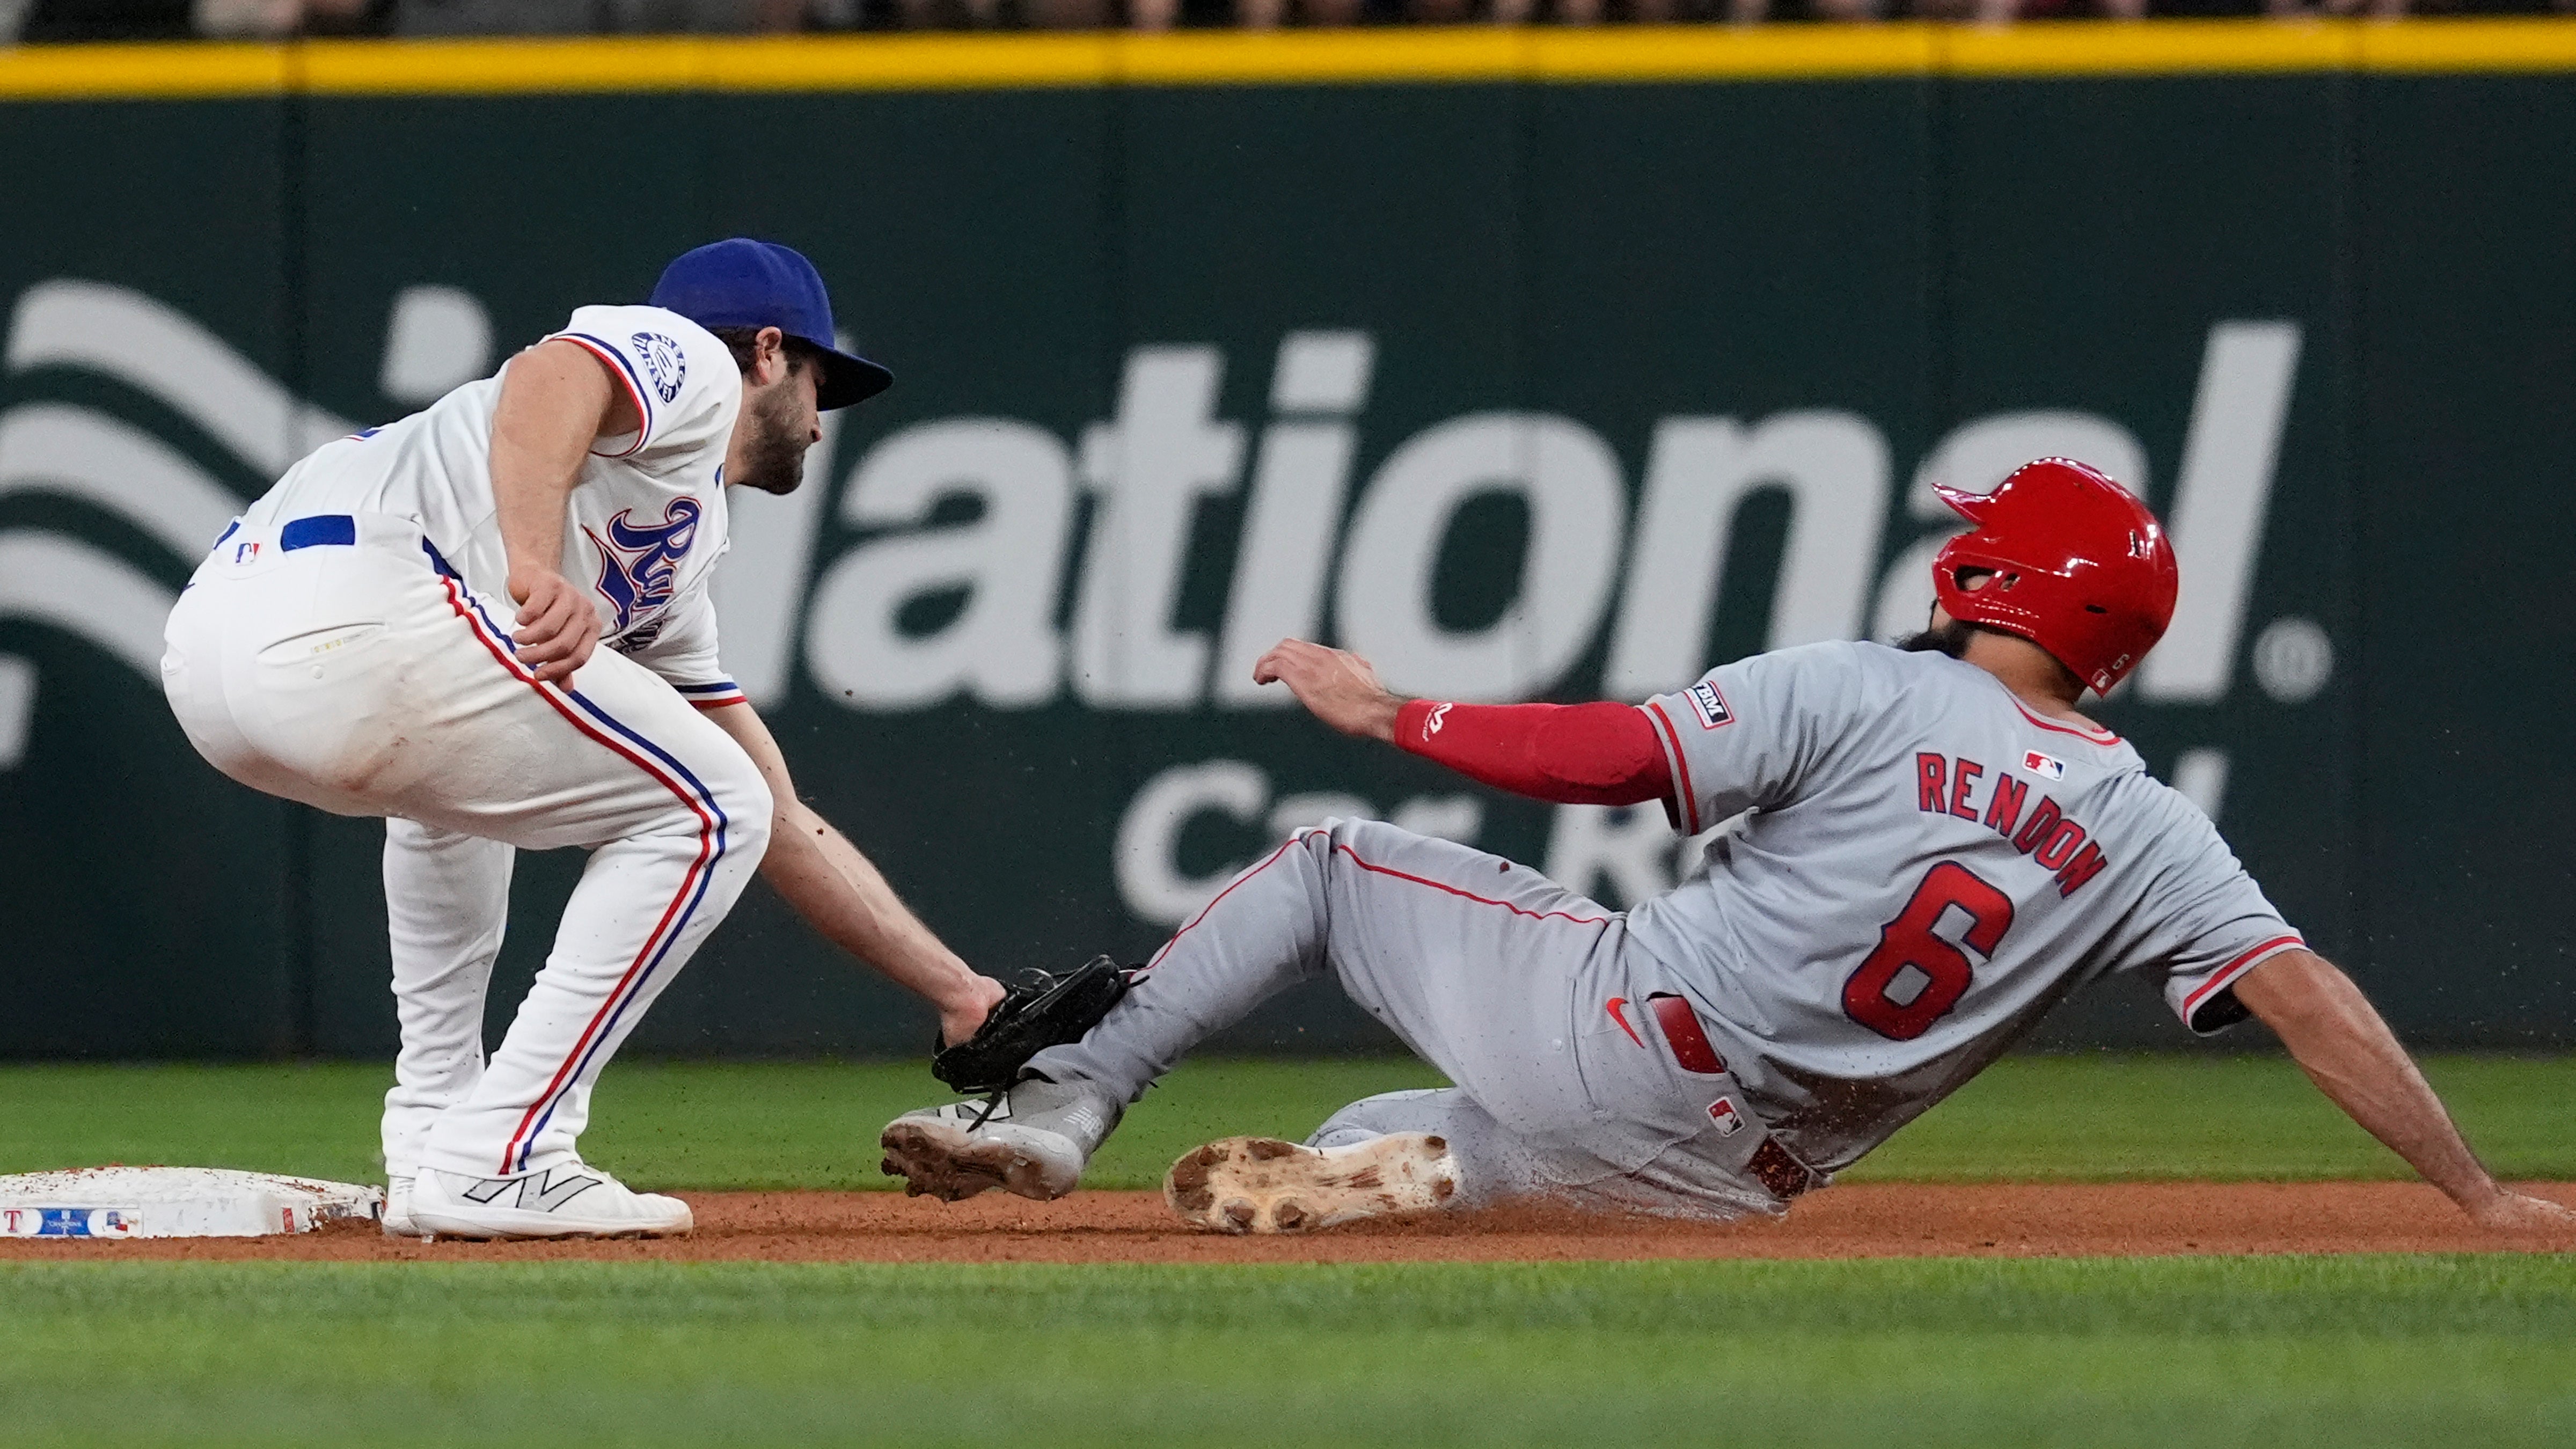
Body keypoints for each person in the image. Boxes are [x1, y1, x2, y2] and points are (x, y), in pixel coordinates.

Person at [880, 458, 2574, 1235]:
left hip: (1625, 1028)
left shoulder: (1864, 687)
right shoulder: (2148, 826)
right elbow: (2308, 994)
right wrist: (2480, 1194)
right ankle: (1424, 1181)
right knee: (1377, 1129)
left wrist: (1398, 711)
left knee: (1324, 865)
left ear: (2001, 587)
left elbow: (1617, 756)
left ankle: (1060, 1107)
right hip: (1732, 1181)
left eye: (1976, 545)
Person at [164, 239, 1002, 1240]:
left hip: (217, 658)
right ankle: (507, 1154)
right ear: (770, 354)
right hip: (361, 606)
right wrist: (530, 564)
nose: (821, 424)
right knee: (707, 806)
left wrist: (957, 993)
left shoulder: (675, 552)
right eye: (822, 382)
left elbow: (776, 814)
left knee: (513, 805)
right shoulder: (691, 361)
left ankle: (435, 1139)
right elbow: (552, 376)